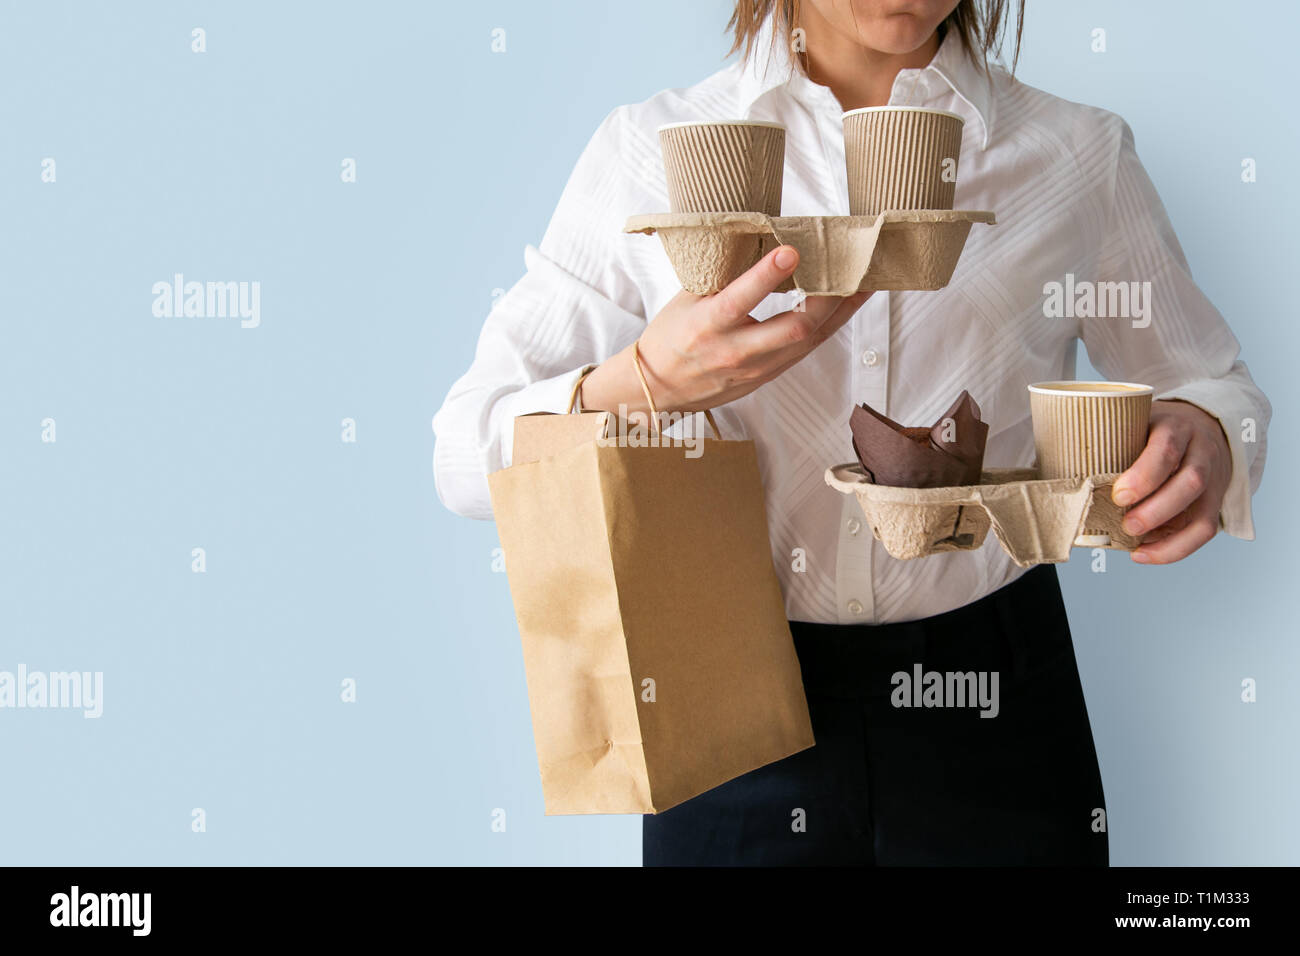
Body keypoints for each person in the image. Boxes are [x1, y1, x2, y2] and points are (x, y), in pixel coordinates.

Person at [433, 0, 1270, 865]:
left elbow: (1213, 381)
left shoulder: (1076, 154)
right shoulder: (652, 150)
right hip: (724, 700)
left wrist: (1207, 430)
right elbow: (464, 453)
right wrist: (646, 380)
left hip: (997, 699)